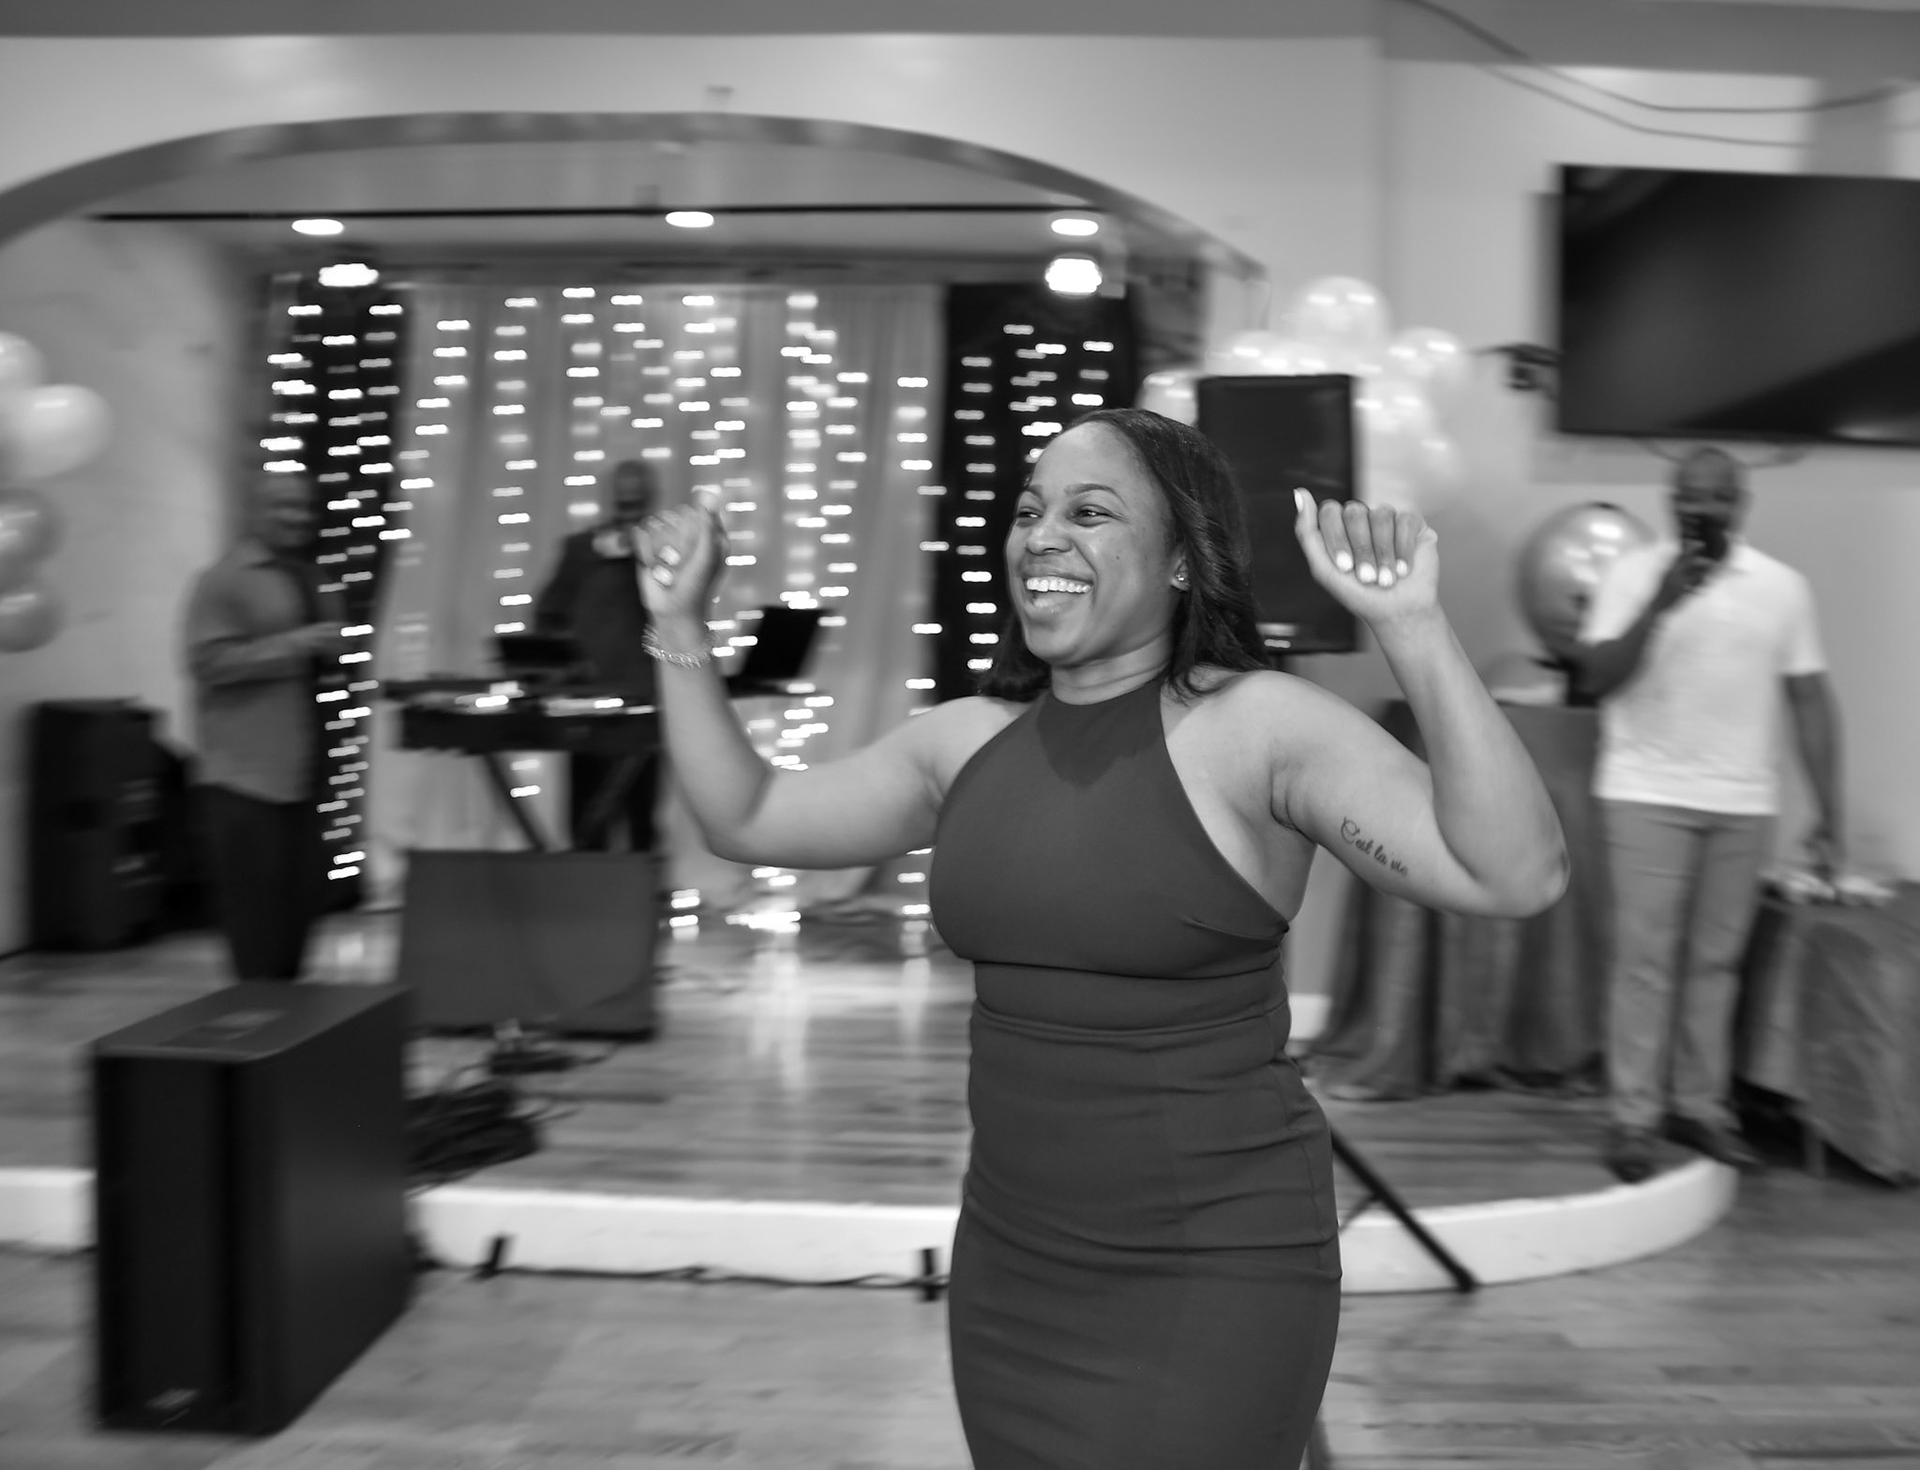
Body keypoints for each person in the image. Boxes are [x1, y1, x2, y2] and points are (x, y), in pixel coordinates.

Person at [635, 408, 1567, 1470]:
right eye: (1029, 511)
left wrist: (1414, 626)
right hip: (1014, 1266)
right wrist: (678, 623)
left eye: (1089, 512)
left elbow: (1513, 874)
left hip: (1216, 1262)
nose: (1041, 535)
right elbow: (747, 815)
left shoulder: (1258, 728)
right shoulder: (968, 740)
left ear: (1182, 559)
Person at [1576, 445, 1842, 1184]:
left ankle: (1698, 1106)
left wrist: (1830, 811)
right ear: (1671, 501)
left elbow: (1810, 698)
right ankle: (1634, 1117)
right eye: (1688, 496)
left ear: (1740, 504)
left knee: (1715, 965)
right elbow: (1595, 678)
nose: (1701, 509)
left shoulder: (1782, 588)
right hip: (1643, 792)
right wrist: (1662, 601)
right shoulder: (1632, 574)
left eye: (1717, 497)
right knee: (1644, 962)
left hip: (1743, 800)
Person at [183, 470, 342, 981]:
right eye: (282, 506)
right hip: (246, 779)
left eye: (303, 507)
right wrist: (296, 645)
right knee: (255, 923)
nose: (296, 517)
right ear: (255, 511)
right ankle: (256, 1016)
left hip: (304, 773)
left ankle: (287, 1016)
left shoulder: (311, 577)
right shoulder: (225, 579)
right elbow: (207, 663)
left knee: (298, 916)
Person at [534, 458, 662, 852]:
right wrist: (566, 662)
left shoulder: (664, 554)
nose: (630, 514)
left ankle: (640, 885)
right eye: (624, 504)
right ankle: (584, 883)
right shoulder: (581, 550)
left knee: (641, 814)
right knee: (586, 815)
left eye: (637, 504)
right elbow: (548, 614)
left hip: (643, 700)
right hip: (587, 701)